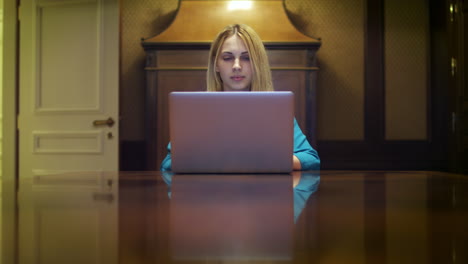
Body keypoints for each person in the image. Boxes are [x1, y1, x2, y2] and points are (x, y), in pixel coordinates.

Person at [161, 24, 320, 171]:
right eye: (228, 58)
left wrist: (257, 162)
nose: (237, 66)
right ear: (216, 64)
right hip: (208, 195)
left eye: (246, 57)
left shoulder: (275, 110)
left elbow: (311, 159)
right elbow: (168, 163)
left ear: (257, 63)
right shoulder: (196, 111)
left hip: (264, 196)